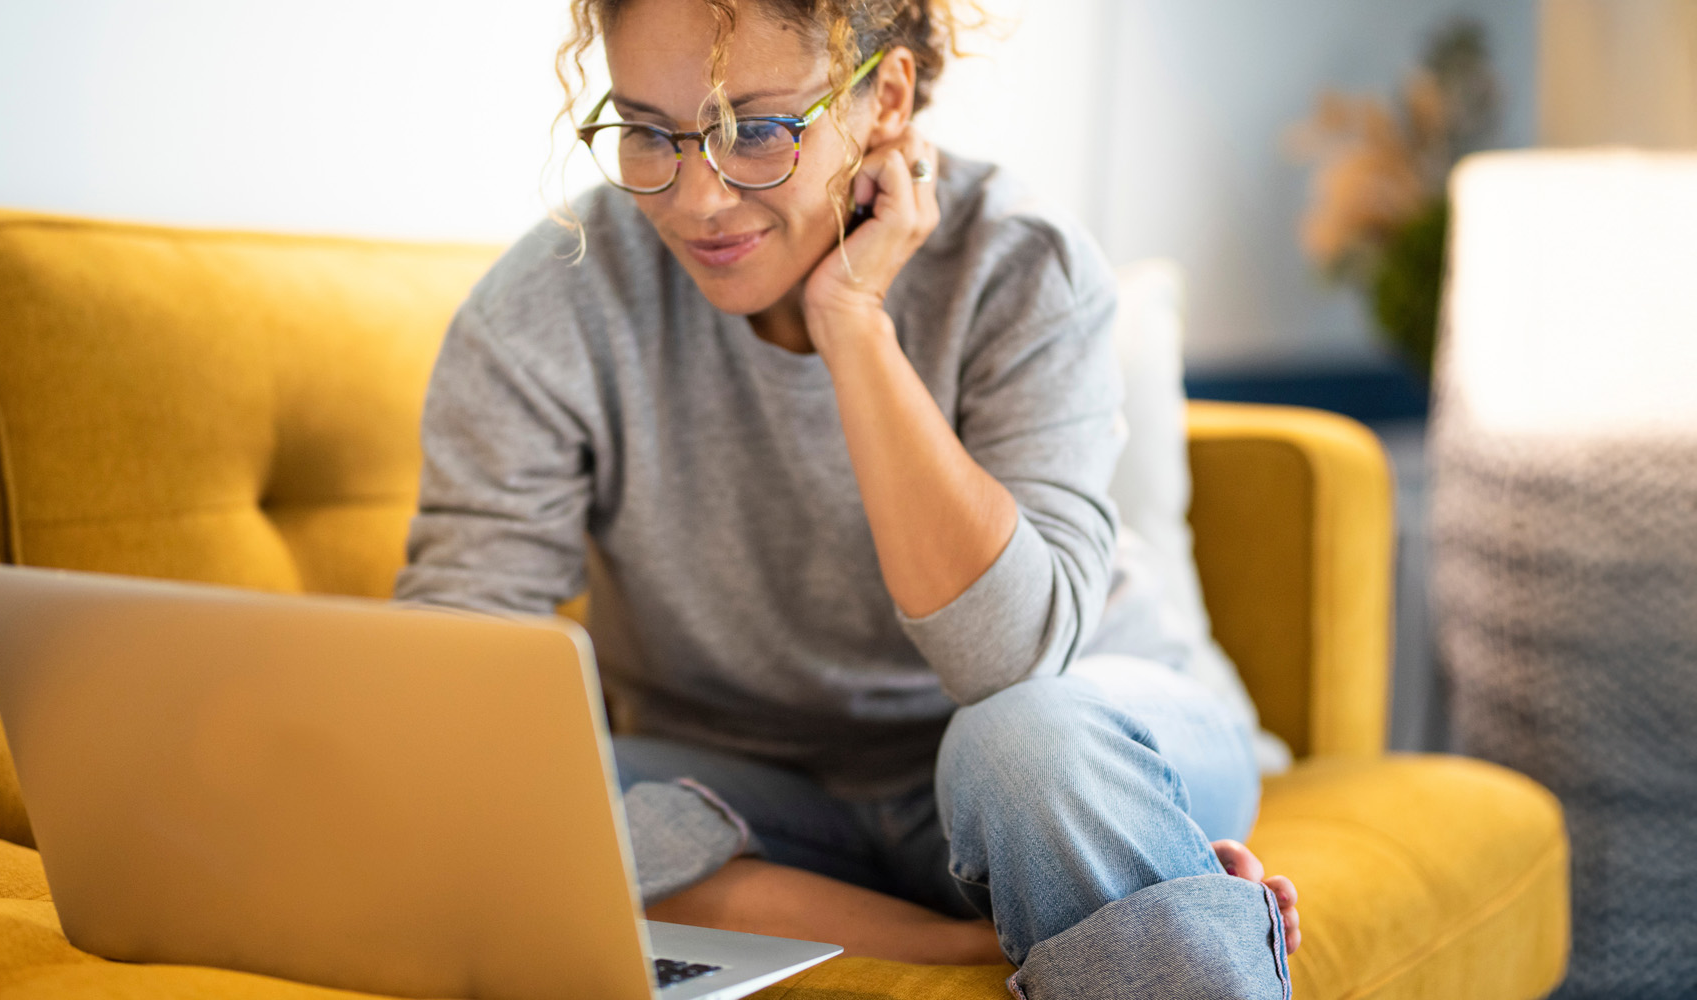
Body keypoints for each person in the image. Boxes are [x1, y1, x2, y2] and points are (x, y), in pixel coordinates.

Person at [393, 0, 1300, 993]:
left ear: (886, 99)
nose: (697, 196)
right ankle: (998, 922)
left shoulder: (1019, 264)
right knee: (478, 794)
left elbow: (1011, 661)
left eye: (757, 129)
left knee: (1026, 749)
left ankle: (1080, 879)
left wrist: (853, 322)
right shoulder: (545, 307)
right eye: (649, 131)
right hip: (748, 794)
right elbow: (455, 698)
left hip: (1068, 736)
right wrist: (943, 947)